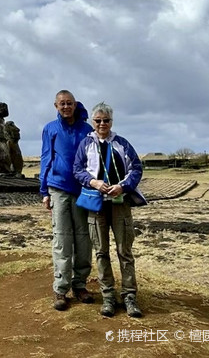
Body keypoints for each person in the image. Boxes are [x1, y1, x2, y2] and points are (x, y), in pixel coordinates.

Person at [73, 102, 147, 319]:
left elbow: (136, 168)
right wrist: (93, 182)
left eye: (106, 120)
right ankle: (108, 296)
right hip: (96, 203)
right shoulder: (85, 144)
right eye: (98, 120)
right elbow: (77, 169)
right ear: (92, 122)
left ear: (111, 122)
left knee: (125, 250)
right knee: (101, 251)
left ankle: (129, 296)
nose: (102, 124)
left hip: (120, 203)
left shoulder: (122, 143)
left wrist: (122, 186)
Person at [40, 90, 94, 310]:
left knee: (83, 239)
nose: (66, 107)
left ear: (75, 104)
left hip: (83, 190)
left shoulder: (87, 130)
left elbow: (94, 161)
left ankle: (80, 285)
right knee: (62, 239)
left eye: (69, 103)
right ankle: (61, 289)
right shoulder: (50, 129)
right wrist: (44, 191)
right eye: (62, 103)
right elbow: (46, 157)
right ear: (56, 106)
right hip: (59, 188)